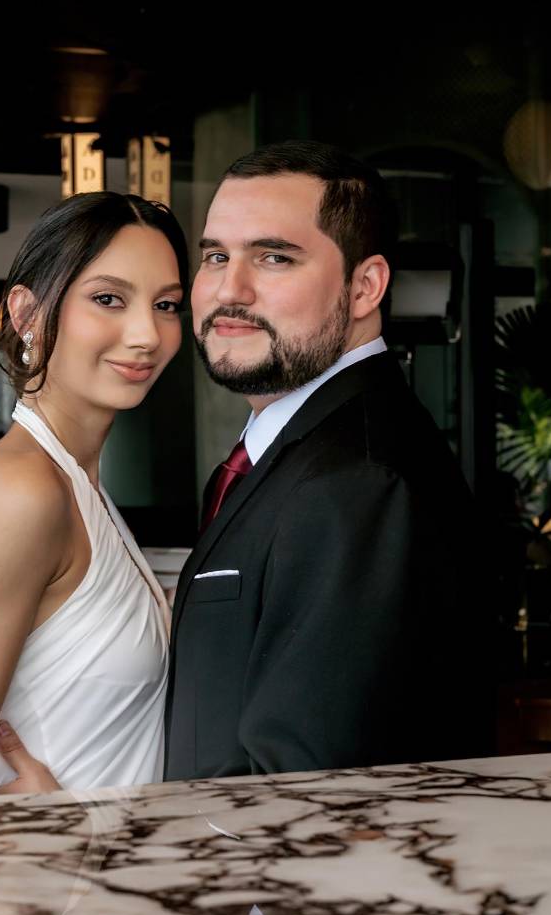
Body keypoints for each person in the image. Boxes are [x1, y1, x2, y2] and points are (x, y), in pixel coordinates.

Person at [164, 140, 490, 779]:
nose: (230, 290)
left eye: (274, 257)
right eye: (215, 257)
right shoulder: (295, 452)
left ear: (365, 286)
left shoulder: (357, 482)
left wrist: (94, 823)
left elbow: (306, 791)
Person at [0, 192, 188, 801]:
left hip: (114, 878)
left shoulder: (78, 485)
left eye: (166, 305)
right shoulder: (22, 491)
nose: (146, 334)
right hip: (59, 885)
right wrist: (39, 823)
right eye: (108, 299)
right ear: (26, 313)